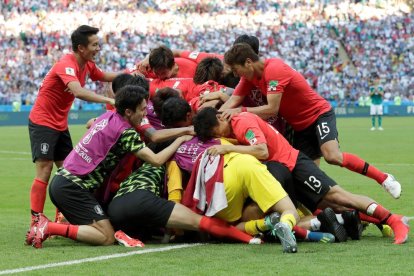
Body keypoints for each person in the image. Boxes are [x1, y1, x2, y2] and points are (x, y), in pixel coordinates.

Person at [193, 107, 410, 244]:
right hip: (282, 171)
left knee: (340, 197)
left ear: (221, 118)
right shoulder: (233, 124)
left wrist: (228, 149)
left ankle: (392, 220)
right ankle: (378, 221)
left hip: (295, 164)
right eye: (214, 136)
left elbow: (262, 151)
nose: (218, 136)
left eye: (216, 131)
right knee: (331, 208)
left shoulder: (242, 122)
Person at [219, 43, 401, 199]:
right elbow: (232, 101)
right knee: (312, 181)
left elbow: (271, 109)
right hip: (300, 128)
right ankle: (347, 212)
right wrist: (213, 119)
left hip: (319, 115)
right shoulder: (249, 77)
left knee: (332, 156)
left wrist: (240, 111)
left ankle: (383, 178)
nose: (236, 75)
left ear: (248, 62)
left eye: (236, 69)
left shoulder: (274, 70)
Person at [25, 85, 197, 248]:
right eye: (143, 109)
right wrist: (182, 138)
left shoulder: (108, 116)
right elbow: (157, 160)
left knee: (108, 225)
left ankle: (55, 225)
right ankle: (48, 227)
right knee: (106, 236)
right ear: (129, 111)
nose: (145, 114)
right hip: (72, 188)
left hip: (64, 183)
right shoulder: (126, 132)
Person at [27, 25, 121, 232]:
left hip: (60, 124)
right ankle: (36, 221)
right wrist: (109, 100)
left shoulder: (87, 64)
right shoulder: (66, 64)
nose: (98, 49)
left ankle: (61, 216)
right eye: (94, 45)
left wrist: (132, 74)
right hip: (43, 122)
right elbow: (78, 91)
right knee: (45, 169)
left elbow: (103, 76)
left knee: (69, 171)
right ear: (81, 48)